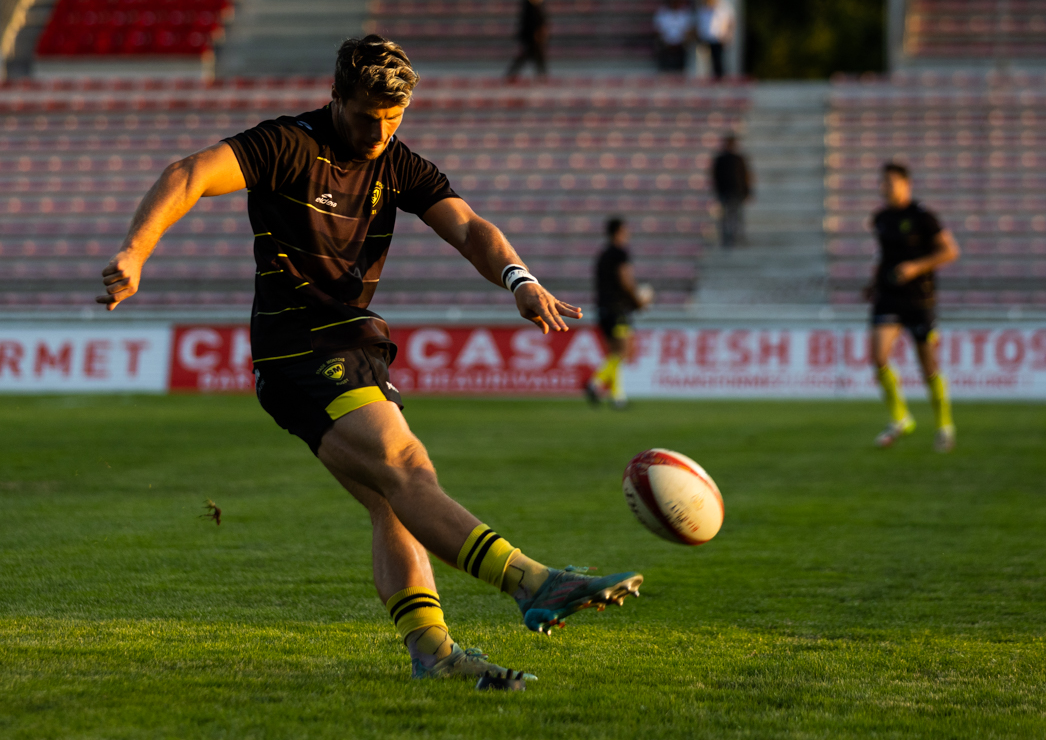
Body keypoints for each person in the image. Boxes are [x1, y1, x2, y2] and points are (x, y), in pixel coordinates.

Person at [96, 35, 643, 683]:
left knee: (398, 499)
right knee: (406, 467)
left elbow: (468, 227)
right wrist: (135, 251)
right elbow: (188, 174)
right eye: (367, 117)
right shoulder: (286, 145)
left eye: (394, 118)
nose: (381, 132)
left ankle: (433, 656)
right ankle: (533, 582)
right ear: (336, 98)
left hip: (353, 344)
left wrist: (519, 280)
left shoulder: (399, 163)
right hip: (299, 347)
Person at [864, 162, 960, 452]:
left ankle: (944, 426)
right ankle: (900, 417)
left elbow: (950, 251)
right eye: (883, 183)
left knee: (927, 363)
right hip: (889, 296)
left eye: (891, 182)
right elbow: (885, 254)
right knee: (879, 357)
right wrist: (873, 282)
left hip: (920, 298)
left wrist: (916, 268)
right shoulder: (880, 218)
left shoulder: (923, 216)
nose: (886, 187)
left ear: (906, 184)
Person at [585, 217, 651, 409]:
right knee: (623, 353)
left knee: (614, 354)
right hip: (617, 309)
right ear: (619, 232)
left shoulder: (603, 255)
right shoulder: (620, 254)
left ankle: (617, 397)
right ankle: (595, 383)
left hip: (602, 309)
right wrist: (638, 301)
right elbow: (626, 280)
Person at [712, 135, 752, 247]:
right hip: (725, 193)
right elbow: (716, 177)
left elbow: (745, 176)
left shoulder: (739, 159)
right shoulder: (720, 159)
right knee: (726, 218)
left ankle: (738, 239)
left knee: (737, 217)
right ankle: (727, 240)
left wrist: (747, 192)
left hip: (737, 192)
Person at [505, 0, 549, 80]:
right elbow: (528, 20)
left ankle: (541, 76)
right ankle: (541, 76)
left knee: (535, 56)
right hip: (530, 35)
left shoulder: (538, 2)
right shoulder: (528, 2)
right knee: (528, 56)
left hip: (536, 36)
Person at [696, 0, 734, 79]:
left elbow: (730, 23)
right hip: (705, 38)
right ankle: (706, 77)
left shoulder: (724, 8)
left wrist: (728, 36)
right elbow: (700, 23)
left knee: (718, 59)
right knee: (705, 60)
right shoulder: (703, 9)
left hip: (718, 38)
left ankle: (720, 77)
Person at [653, 0, 693, 72]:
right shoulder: (663, 13)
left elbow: (688, 30)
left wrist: (682, 40)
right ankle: (664, 70)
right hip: (666, 42)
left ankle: (681, 70)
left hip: (681, 42)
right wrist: (666, 40)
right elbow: (658, 29)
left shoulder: (684, 14)